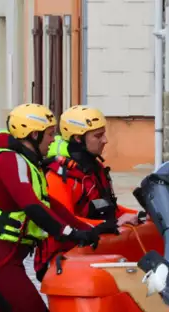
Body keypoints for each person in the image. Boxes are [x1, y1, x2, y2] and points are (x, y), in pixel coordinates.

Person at [0, 103, 111, 312]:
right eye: (50, 134)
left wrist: (91, 229)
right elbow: (32, 207)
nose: (53, 140)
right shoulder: (8, 160)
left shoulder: (25, 163)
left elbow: (50, 206)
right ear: (34, 134)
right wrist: (70, 233)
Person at [34, 105, 141, 281]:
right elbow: (64, 221)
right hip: (62, 256)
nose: (105, 140)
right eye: (98, 136)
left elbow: (109, 208)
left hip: (91, 249)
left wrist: (138, 215)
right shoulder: (59, 175)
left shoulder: (94, 168)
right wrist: (109, 224)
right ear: (78, 138)